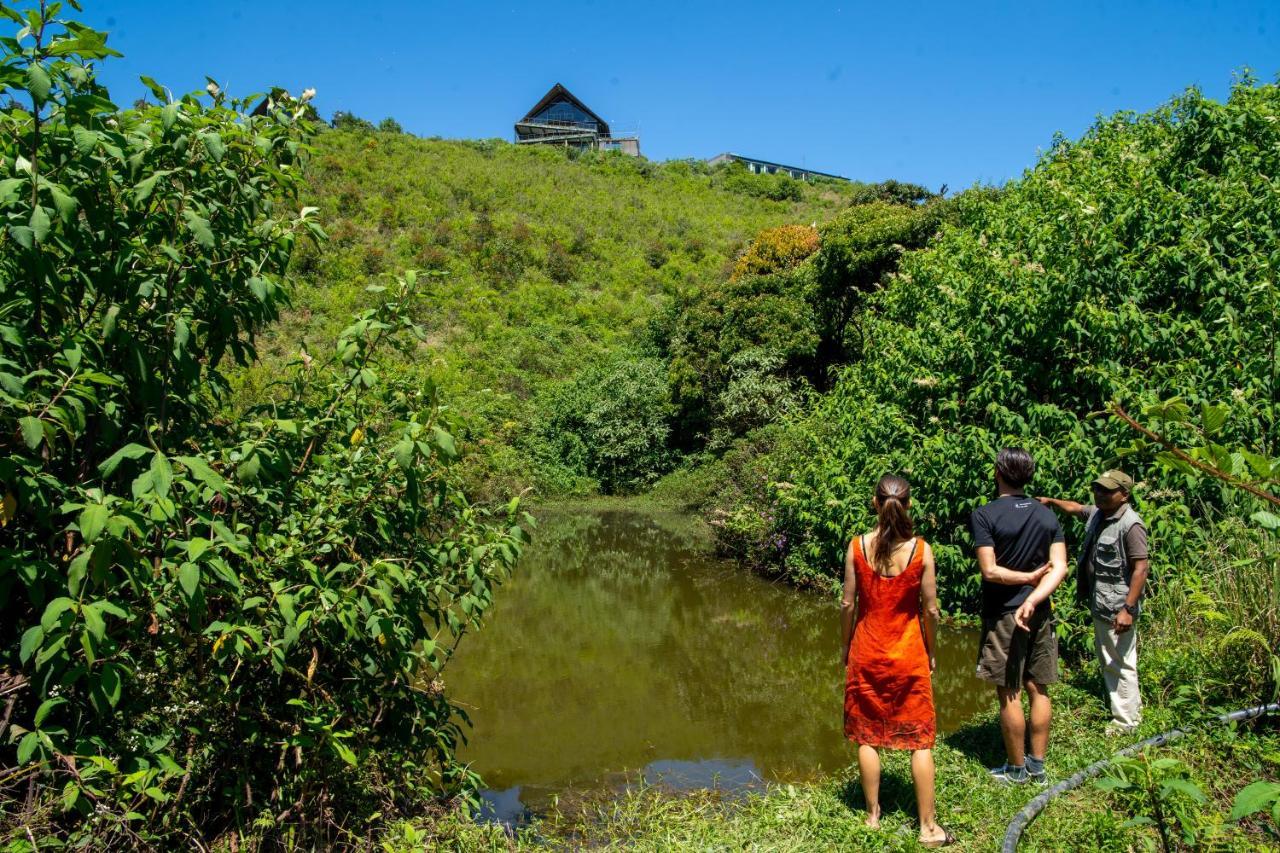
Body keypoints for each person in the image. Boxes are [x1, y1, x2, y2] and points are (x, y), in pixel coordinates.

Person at [842, 475, 954, 847]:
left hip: (866, 651)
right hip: (908, 654)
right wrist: (932, 651)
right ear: (907, 505)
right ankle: (928, 828)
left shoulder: (857, 546)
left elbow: (848, 604)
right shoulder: (922, 550)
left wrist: (845, 647)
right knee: (920, 741)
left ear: (875, 503)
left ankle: (873, 816)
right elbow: (931, 610)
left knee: (867, 736)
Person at [971, 448, 1068, 784]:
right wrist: (1036, 594)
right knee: (1038, 688)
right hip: (1040, 611)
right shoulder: (1047, 516)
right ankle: (1037, 767)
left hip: (1004, 614)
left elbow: (990, 571)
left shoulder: (984, 515)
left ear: (999, 472)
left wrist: (1025, 582)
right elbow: (1060, 568)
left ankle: (1016, 770)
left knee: (1009, 690)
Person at [1039, 469, 1149, 735]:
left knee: (1119, 661)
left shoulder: (1130, 524)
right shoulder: (1100, 514)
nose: (1099, 494)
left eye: (1107, 490)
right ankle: (1128, 709)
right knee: (1111, 658)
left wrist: (1128, 609)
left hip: (1117, 606)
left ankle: (1127, 722)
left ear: (1124, 495)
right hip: (1102, 602)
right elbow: (1076, 509)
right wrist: (1052, 502)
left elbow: (1141, 568)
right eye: (1097, 489)